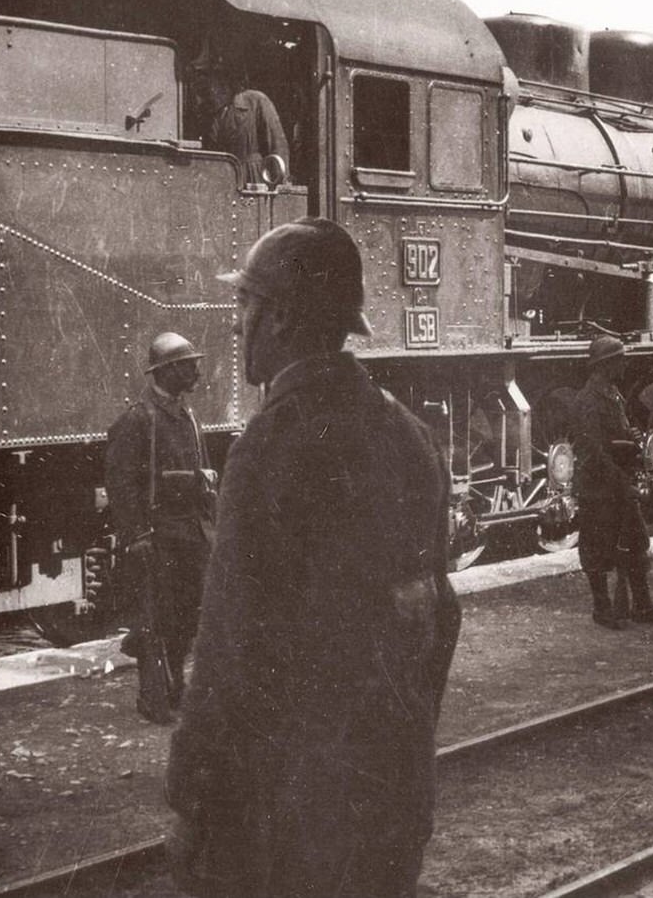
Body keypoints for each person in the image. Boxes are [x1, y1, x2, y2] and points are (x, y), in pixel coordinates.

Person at [165, 218, 462, 897]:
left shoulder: (270, 447)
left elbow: (227, 650)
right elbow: (437, 617)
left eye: (248, 304)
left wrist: (193, 799)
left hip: (298, 813)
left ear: (284, 319)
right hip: (392, 791)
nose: (239, 322)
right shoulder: (409, 435)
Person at [104, 333, 215, 725]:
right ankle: (154, 699)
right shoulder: (140, 419)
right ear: (166, 371)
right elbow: (120, 485)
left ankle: (174, 689)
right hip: (159, 535)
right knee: (156, 620)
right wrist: (137, 536)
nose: (197, 371)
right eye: (188, 365)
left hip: (191, 533)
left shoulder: (187, 416)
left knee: (187, 616)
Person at [571, 335, 653, 630]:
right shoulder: (588, 400)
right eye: (620, 359)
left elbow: (615, 432)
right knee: (597, 548)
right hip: (599, 486)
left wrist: (631, 438)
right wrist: (619, 478)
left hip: (617, 481)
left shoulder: (612, 393)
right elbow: (592, 449)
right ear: (607, 365)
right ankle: (603, 609)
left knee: (635, 543)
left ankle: (642, 605)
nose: (625, 364)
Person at [190, 62, 291, 186]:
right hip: (225, 181)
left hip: (254, 179)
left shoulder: (256, 101)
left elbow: (277, 145)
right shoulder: (210, 115)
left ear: (224, 83)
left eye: (209, 85)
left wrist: (281, 185)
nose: (206, 94)